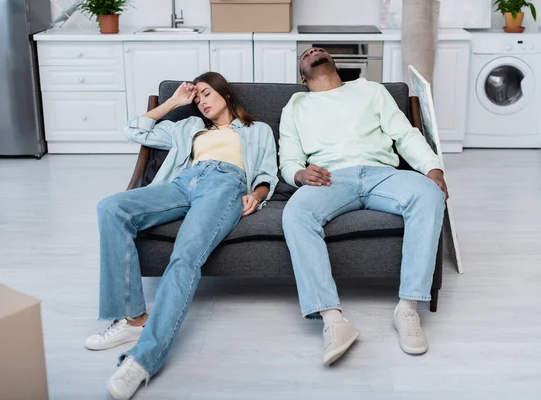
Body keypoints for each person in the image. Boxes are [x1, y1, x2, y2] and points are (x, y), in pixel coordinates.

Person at [85, 72, 278, 399]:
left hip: (225, 184)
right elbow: (134, 130)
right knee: (111, 208)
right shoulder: (188, 128)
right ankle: (134, 320)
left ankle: (142, 360)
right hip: (181, 183)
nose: (202, 101)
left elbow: (267, 173)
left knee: (185, 256)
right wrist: (174, 102)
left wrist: (257, 196)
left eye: (207, 93)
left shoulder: (257, 131)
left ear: (224, 93)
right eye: (197, 97)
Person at [279, 48, 448, 366]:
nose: (314, 51)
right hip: (330, 180)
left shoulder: (370, 90)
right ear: (303, 76)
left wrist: (432, 168)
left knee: (429, 195)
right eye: (307, 53)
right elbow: (289, 160)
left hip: (382, 174)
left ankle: (408, 309)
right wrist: (300, 174)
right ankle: (333, 320)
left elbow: (405, 134)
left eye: (320, 50)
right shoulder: (296, 106)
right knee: (296, 213)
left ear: (336, 64)